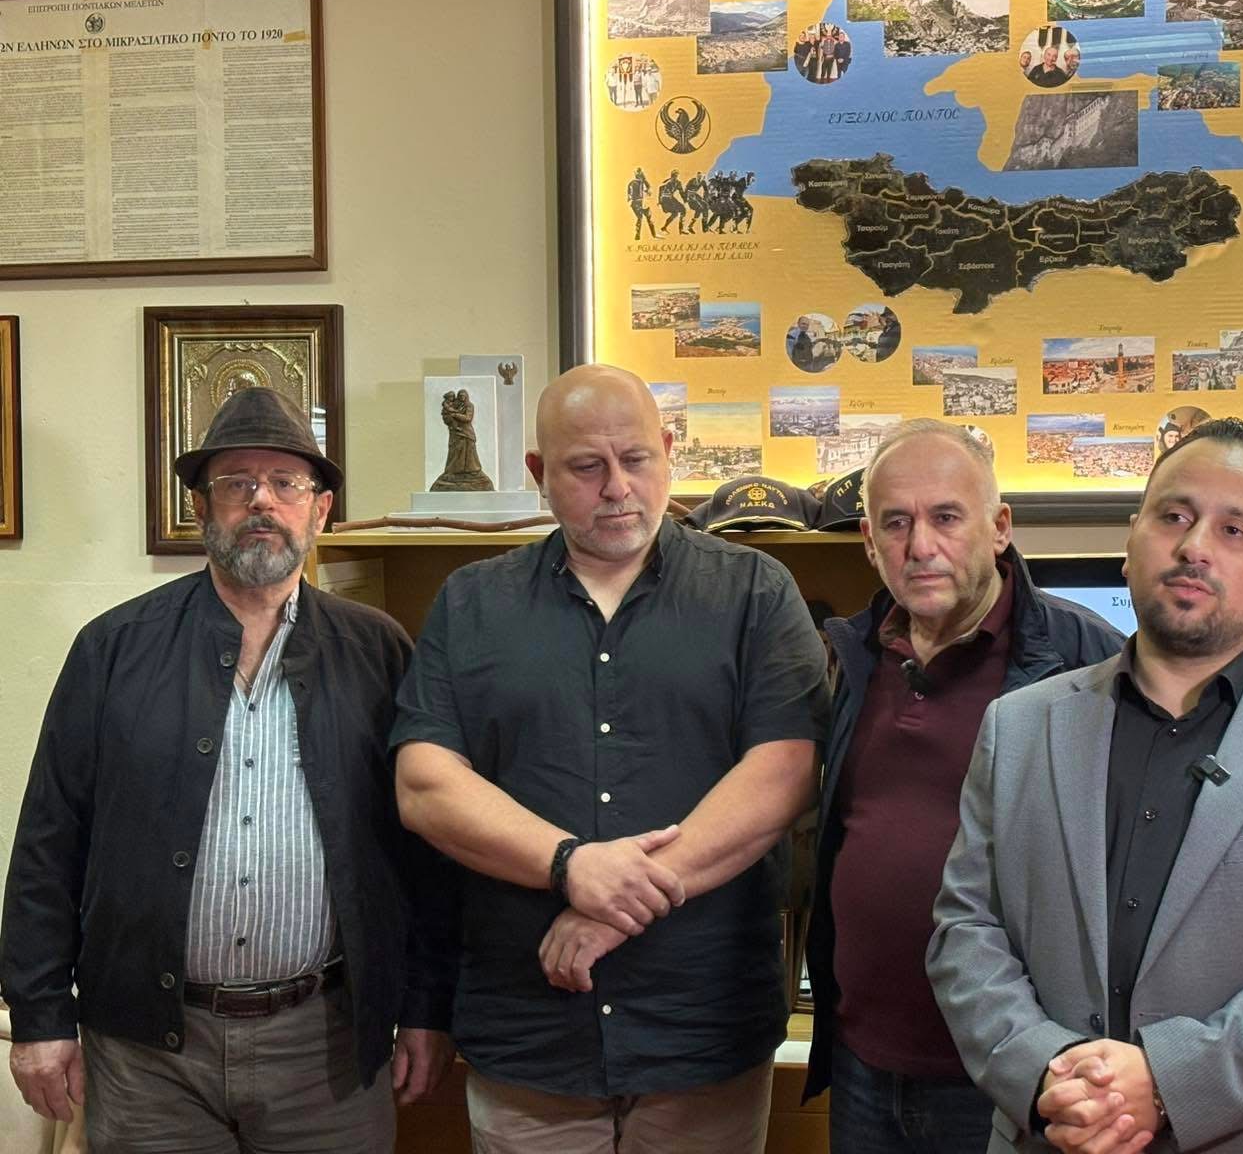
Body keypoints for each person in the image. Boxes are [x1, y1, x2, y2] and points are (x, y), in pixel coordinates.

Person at [928, 417, 1243, 1154]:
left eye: (1236, 530)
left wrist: (1168, 1081)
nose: (1195, 546)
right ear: (1131, 541)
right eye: (1173, 516)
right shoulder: (1019, 726)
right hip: (1052, 1132)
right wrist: (1045, 1071)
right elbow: (965, 930)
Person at [1, 387, 457, 1152]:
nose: (261, 501)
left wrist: (426, 1007)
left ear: (320, 510)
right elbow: (50, 839)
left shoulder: (378, 650)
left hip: (327, 1048)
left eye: (285, 483)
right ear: (201, 508)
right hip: (147, 1054)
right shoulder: (113, 649)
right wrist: (39, 1015)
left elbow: (426, 855)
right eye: (236, 482)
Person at [391, 364, 830, 1153]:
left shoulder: (755, 592)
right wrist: (570, 866)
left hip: (702, 1032)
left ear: (669, 451)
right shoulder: (471, 603)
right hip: (529, 1032)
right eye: (587, 467)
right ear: (540, 473)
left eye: (636, 459)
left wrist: (609, 905)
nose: (618, 487)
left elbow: (786, 771)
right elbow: (426, 786)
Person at [804, 420, 1122, 1153]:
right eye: (896, 523)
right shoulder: (854, 654)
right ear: (869, 541)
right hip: (863, 1064)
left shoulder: (1088, 662)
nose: (921, 546)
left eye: (946, 517)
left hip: (1007, 1074)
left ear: (999, 527)